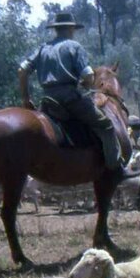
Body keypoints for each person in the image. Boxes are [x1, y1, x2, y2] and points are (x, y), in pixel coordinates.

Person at [18, 12, 131, 179]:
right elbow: (88, 76)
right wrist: (85, 85)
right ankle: (115, 168)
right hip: (69, 98)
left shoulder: (43, 48)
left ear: (56, 30)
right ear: (71, 29)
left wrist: (26, 98)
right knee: (106, 125)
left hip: (47, 100)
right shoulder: (74, 46)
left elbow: (22, 70)